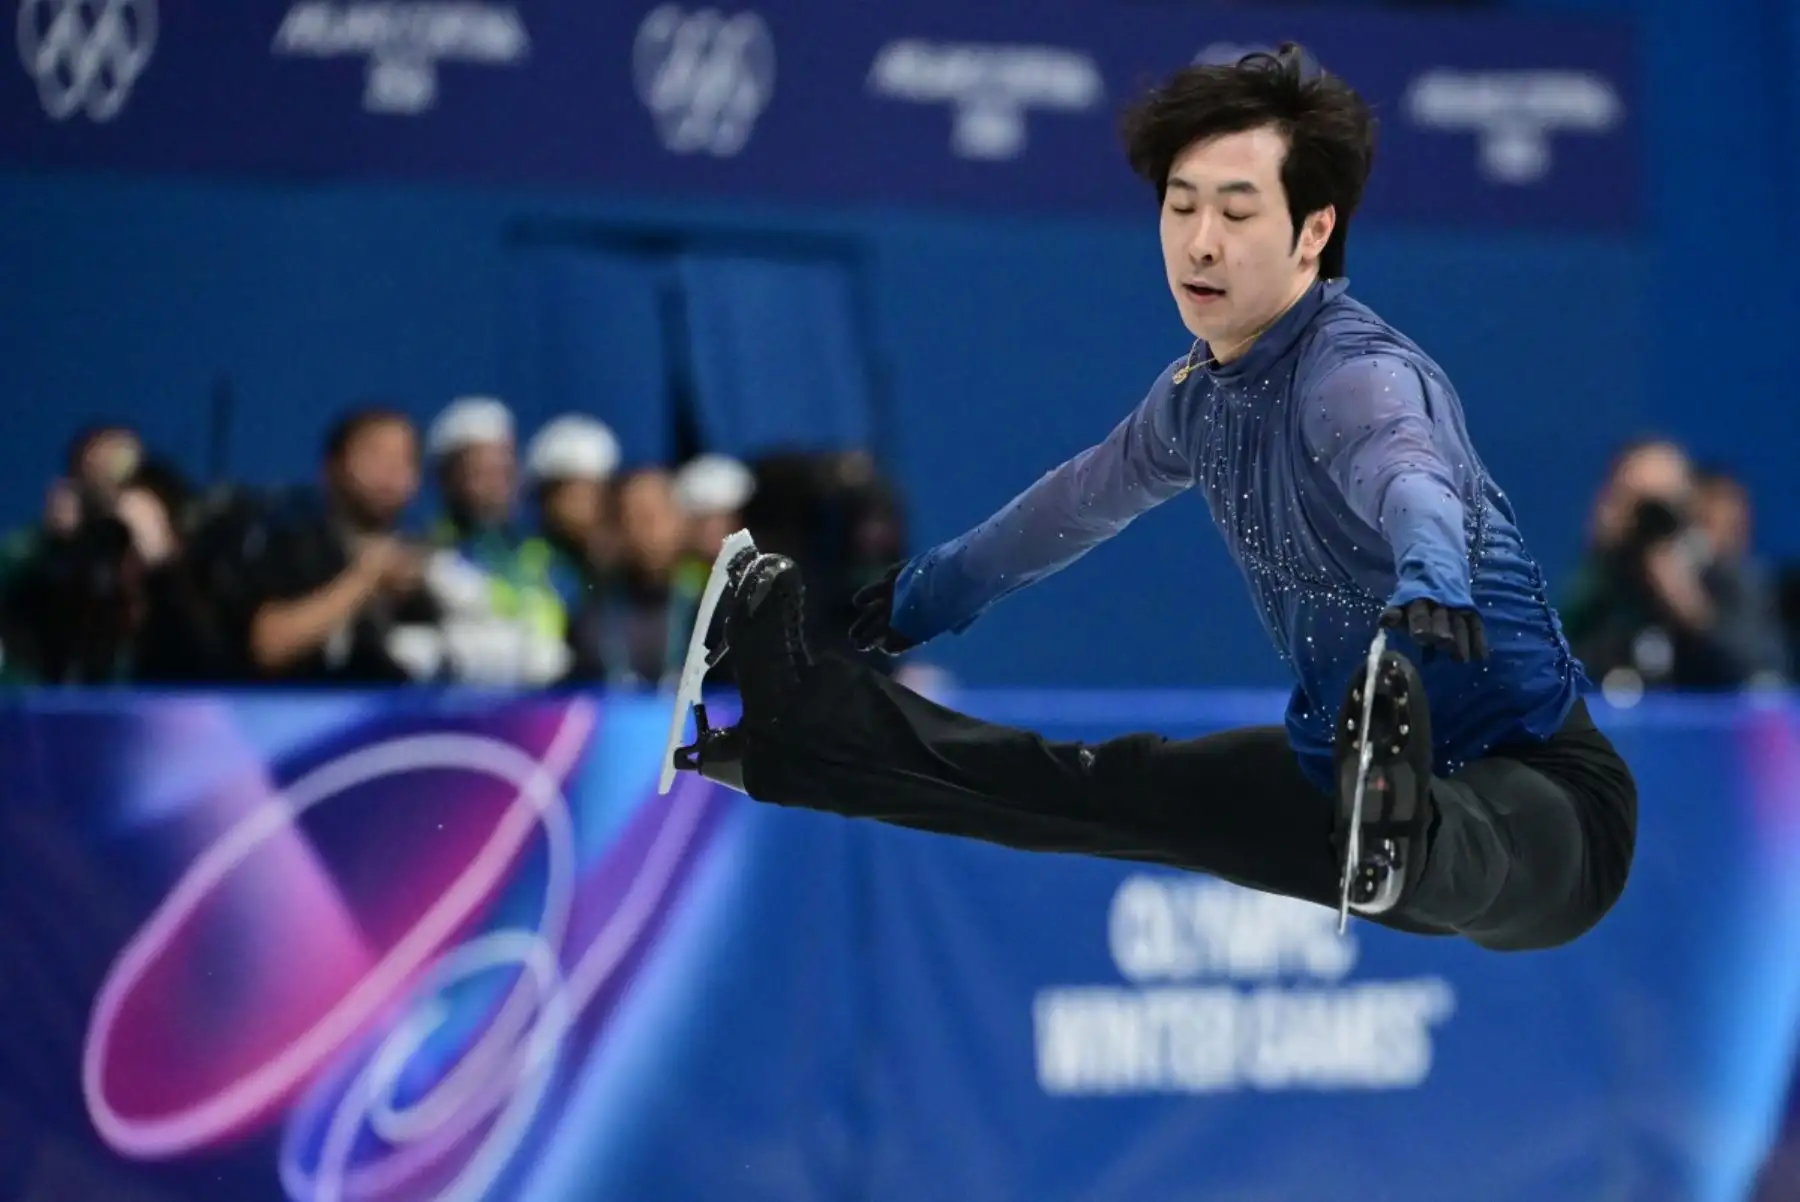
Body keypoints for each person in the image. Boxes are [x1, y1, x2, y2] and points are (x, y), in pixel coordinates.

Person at [665, 45, 1636, 952]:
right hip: (1334, 781)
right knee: (1094, 789)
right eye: (1182, 206)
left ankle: (1400, 834)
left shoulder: (1357, 376)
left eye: (1238, 211)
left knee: (1480, 829)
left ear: (1313, 231)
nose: (1201, 243)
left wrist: (1431, 571)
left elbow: (1406, 468)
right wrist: (928, 595)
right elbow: (1076, 503)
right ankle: (787, 736)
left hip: (1556, 806)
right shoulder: (1196, 402)